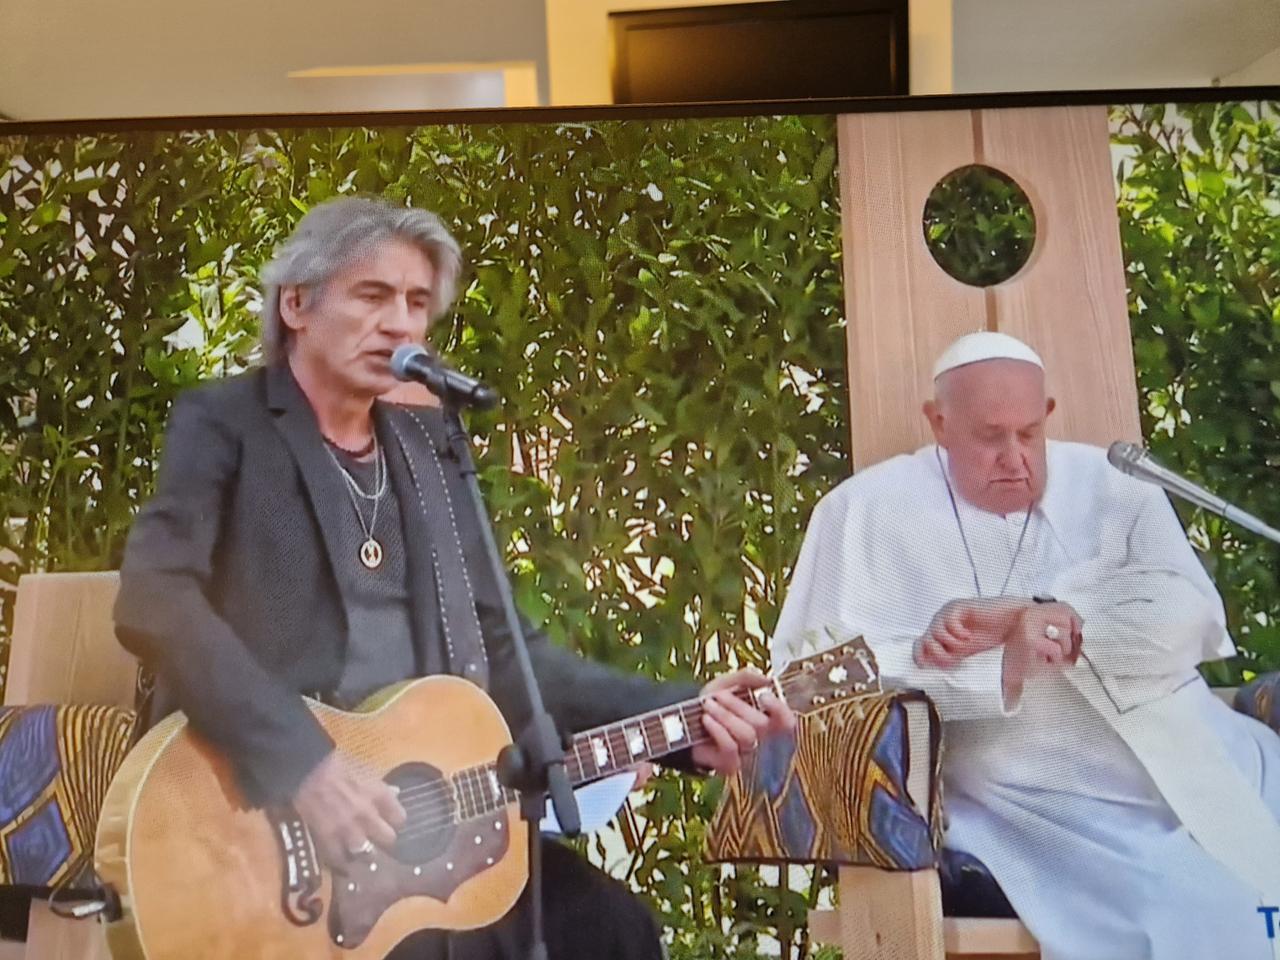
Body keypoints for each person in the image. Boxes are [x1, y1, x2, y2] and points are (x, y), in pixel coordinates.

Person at [113, 195, 794, 960]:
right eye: (373, 295)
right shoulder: (227, 422)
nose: (399, 323)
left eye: (415, 302)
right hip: (260, 832)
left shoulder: (431, 451)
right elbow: (154, 598)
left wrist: (686, 717)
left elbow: (512, 655)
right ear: (296, 304)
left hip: (422, 843)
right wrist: (305, 763)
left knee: (610, 930)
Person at [771, 331, 1280, 960]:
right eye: (990, 437)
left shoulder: (1117, 484)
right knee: (1214, 910)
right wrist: (993, 670)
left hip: (1204, 761)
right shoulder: (862, 513)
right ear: (939, 423)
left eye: (1029, 433)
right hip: (1039, 806)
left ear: (1049, 415)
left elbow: (1193, 619)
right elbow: (804, 687)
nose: (1014, 458)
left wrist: (1036, 612)